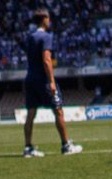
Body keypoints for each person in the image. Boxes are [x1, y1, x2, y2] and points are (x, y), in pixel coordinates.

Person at [21, 8, 82, 158]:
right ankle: (66, 145)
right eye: (48, 18)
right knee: (58, 111)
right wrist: (52, 81)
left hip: (30, 79)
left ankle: (28, 148)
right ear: (44, 19)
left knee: (30, 114)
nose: (50, 21)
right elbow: (47, 60)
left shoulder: (29, 37)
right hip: (44, 80)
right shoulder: (46, 37)